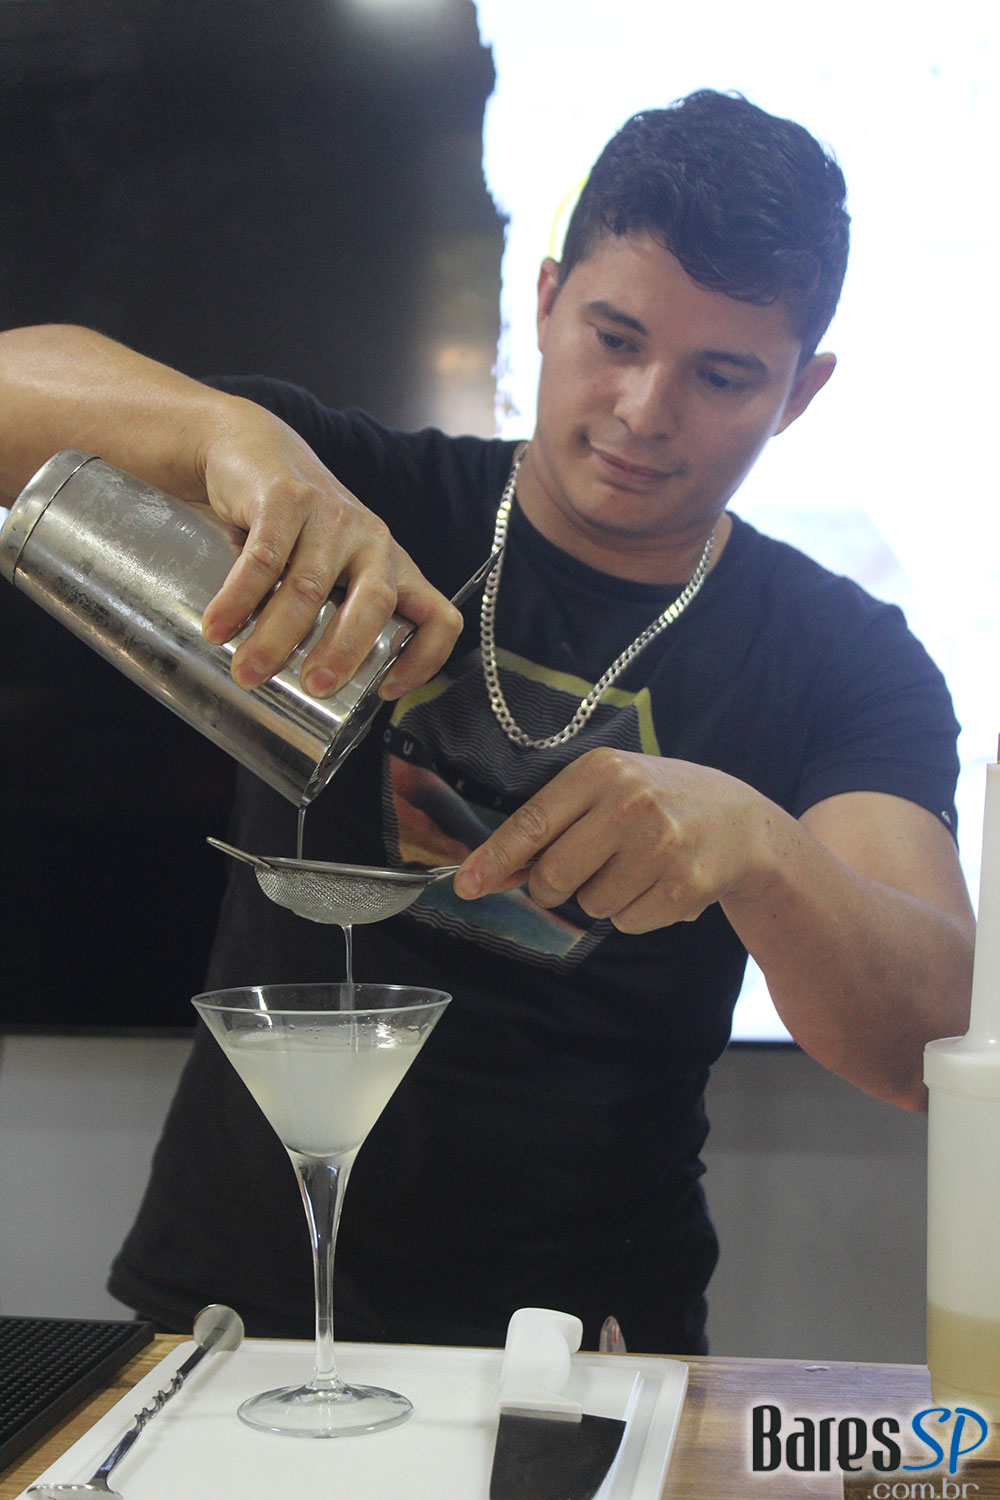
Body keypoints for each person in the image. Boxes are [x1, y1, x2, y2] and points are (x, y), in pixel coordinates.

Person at [0, 90, 974, 1354]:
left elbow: (923, 1046)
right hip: (235, 1313)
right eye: (615, 337)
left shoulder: (840, 657)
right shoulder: (360, 493)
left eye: (722, 374)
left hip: (582, 1348)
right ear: (548, 299)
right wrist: (221, 436)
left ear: (800, 391)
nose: (644, 409)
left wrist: (762, 849)